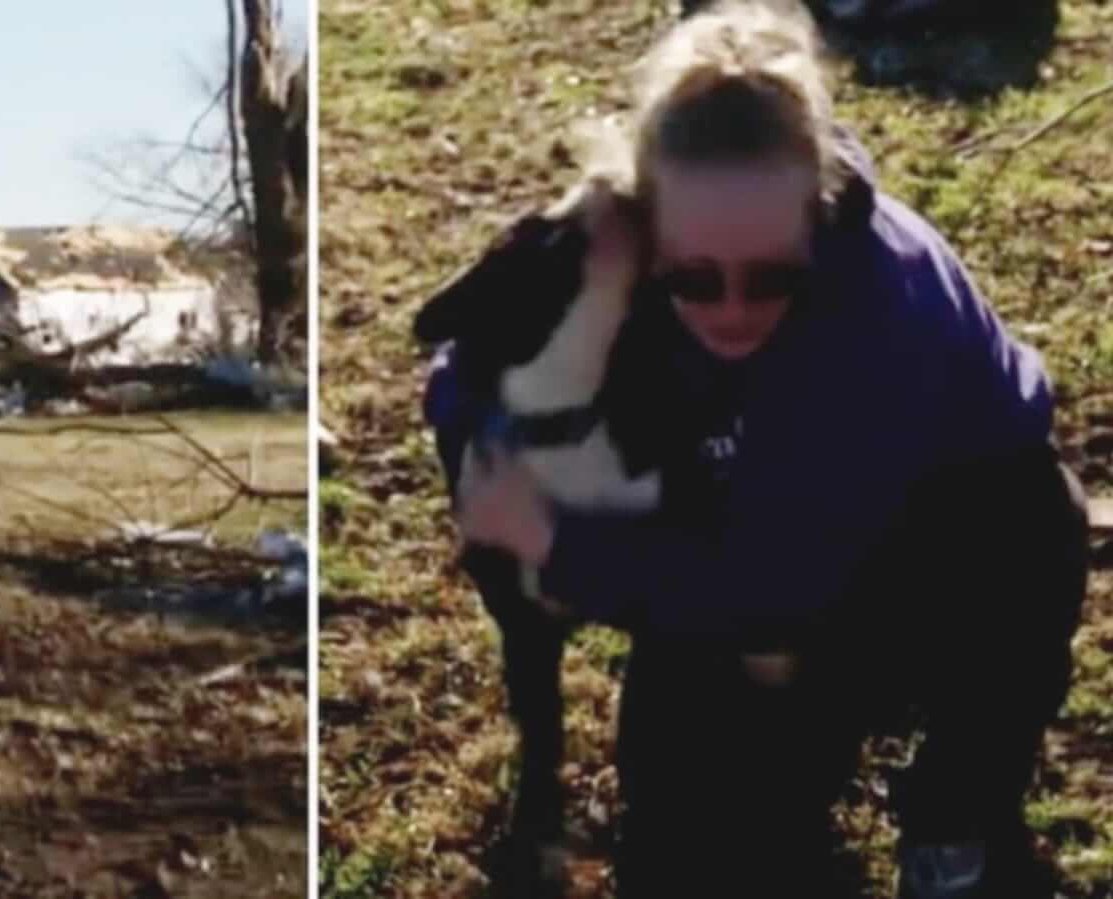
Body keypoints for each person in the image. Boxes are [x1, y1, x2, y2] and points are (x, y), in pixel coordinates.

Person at [425, 2, 1088, 896]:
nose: (731, 309)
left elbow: (772, 588)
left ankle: (952, 812)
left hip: (950, 531)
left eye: (772, 276)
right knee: (686, 849)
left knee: (1009, 566)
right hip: (751, 510)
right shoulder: (614, 236)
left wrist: (556, 543)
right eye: (694, 278)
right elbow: (461, 365)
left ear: (814, 217)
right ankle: (796, 733)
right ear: (651, 226)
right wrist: (485, 457)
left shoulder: (877, 312)